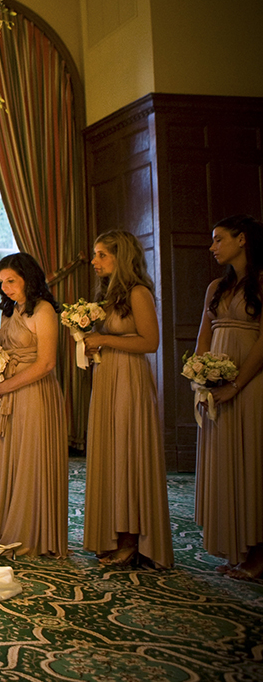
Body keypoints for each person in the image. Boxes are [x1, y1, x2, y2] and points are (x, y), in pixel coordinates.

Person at [79, 230, 173, 568]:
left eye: (101, 255)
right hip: (107, 377)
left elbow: (150, 342)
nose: (94, 262)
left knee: (127, 450)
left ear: (122, 257)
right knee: (110, 451)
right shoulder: (108, 296)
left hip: (130, 378)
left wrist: (105, 339)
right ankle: (114, 532)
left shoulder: (138, 292)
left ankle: (134, 538)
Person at [0, 252, 68, 558]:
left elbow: (47, 363)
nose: (6, 287)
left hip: (35, 394)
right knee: (7, 459)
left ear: (29, 277)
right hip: (6, 394)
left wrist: (7, 385)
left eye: (11, 280)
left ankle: (29, 531)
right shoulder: (9, 310)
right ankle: (0, 523)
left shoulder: (45, 310)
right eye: (2, 282)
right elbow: (2, 351)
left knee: (30, 459)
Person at [194, 214, 263, 580]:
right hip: (216, 384)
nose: (213, 246)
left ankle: (257, 553)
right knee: (225, 460)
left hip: (251, 383)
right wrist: (201, 377)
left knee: (250, 460)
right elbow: (204, 336)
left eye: (219, 239)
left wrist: (236, 385)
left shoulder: (262, 282)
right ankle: (236, 547)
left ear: (242, 239)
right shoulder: (215, 287)